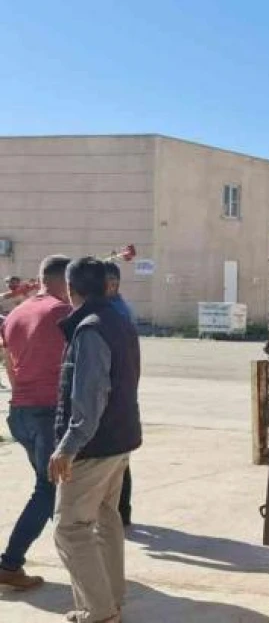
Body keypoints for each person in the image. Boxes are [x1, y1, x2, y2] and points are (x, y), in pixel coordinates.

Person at [49, 257, 142, 623]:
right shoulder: (121, 322)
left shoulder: (89, 329)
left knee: (70, 529)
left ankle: (100, 612)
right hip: (120, 442)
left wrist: (67, 446)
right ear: (108, 286)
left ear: (72, 291)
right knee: (106, 519)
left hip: (94, 446)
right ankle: (110, 601)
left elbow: (90, 397)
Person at [0, 256, 73, 591]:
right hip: (48, 413)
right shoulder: (62, 313)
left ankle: (78, 556)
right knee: (47, 491)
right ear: (65, 281)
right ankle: (9, 564)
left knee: (52, 490)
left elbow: (9, 366)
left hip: (21, 412)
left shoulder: (16, 312)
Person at [103, 261, 134, 526]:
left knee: (118, 460)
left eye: (114, 283)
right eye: (107, 283)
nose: (111, 287)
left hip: (115, 395)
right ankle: (118, 511)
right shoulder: (115, 309)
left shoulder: (117, 312)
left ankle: (121, 511)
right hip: (118, 393)